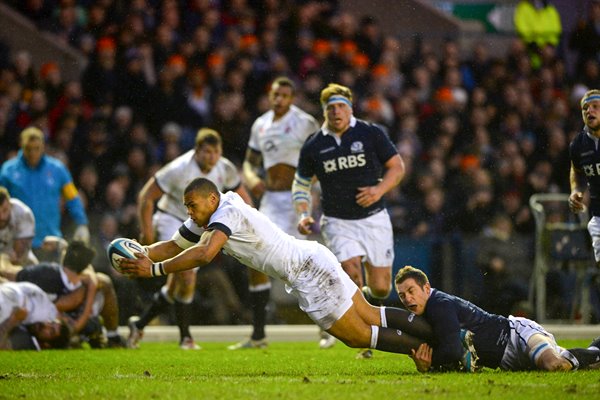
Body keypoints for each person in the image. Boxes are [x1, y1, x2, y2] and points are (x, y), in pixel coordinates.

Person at [120, 178, 435, 358]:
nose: (188, 211)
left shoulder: (226, 213)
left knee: (359, 336)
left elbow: (204, 254)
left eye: (192, 205)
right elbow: (175, 245)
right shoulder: (209, 215)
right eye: (187, 206)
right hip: (312, 258)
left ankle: (431, 353)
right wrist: (141, 254)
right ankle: (440, 336)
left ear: (212, 198)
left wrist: (155, 270)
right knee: (369, 315)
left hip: (308, 272)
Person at [292, 83, 406, 357]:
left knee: (380, 286)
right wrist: (304, 214)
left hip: (374, 218)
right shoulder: (315, 144)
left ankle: (364, 303)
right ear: (324, 112)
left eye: (341, 105)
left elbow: (397, 166)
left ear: (350, 108)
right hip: (337, 221)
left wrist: (379, 189)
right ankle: (367, 339)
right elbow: (301, 183)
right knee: (351, 271)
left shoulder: (370, 133)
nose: (336, 111)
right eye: (331, 108)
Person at [132, 128, 252, 350]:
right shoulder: (178, 168)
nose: (211, 157)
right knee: (186, 274)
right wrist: (147, 234)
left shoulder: (224, 167)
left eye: (216, 152)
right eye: (207, 152)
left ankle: (139, 324)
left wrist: (252, 220)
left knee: (177, 282)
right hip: (172, 218)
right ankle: (185, 338)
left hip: (199, 223)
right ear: (197, 151)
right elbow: (146, 197)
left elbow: (243, 197)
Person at [232, 76, 320, 350]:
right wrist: (250, 177)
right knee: (255, 259)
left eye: (284, 95)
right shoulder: (260, 124)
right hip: (270, 199)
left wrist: (312, 189)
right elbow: (250, 162)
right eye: (275, 95)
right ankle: (258, 335)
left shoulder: (305, 122)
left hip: (298, 199)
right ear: (269, 96)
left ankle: (327, 329)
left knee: (308, 264)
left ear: (292, 98)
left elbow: (320, 158)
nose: (279, 99)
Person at [395, 265, 600, 372]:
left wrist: (429, 362)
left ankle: (593, 351)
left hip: (517, 333)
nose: (407, 298)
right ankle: (592, 355)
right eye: (402, 295)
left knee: (553, 365)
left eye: (411, 290)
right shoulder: (431, 309)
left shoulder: (438, 304)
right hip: (506, 360)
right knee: (555, 363)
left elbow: (451, 350)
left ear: (426, 288)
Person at [0, 240, 125, 348]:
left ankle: (111, 336)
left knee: (104, 282)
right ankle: (103, 335)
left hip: (31, 304)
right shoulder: (44, 276)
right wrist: (5, 257)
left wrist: (92, 285)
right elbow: (8, 273)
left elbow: (74, 316)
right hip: (18, 297)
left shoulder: (82, 280)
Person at [0, 127, 90, 256]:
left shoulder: (58, 170)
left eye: (37, 148)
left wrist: (82, 223)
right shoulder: (8, 171)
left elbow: (72, 197)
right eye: (28, 148)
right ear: (21, 145)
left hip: (50, 243)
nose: (32, 153)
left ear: (43, 146)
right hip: (18, 243)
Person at [0, 281, 71, 350]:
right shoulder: (30, 328)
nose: (46, 325)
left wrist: (13, 320)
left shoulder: (26, 344)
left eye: (51, 331)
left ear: (47, 344)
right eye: (52, 323)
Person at [0, 186, 37, 266]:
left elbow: (18, 256)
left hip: (22, 262)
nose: (2, 217)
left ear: (10, 204)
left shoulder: (23, 213)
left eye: (5, 210)